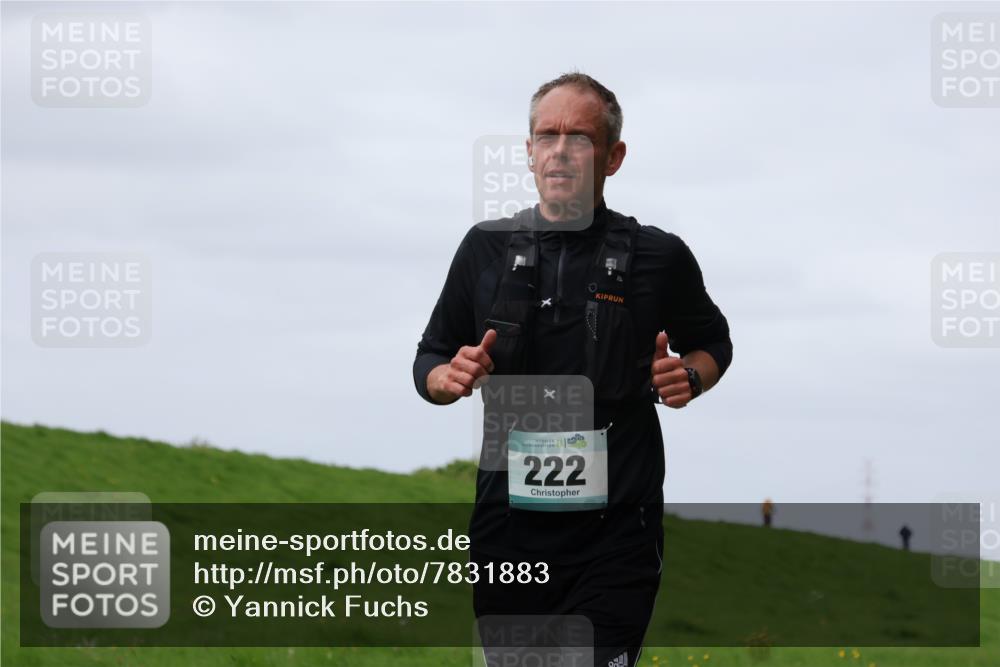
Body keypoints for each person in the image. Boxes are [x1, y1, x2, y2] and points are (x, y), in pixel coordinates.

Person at [412, 72, 733, 667]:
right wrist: (445, 378)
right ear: (529, 152)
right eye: (546, 135)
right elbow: (430, 356)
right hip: (506, 531)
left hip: (617, 536)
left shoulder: (660, 257)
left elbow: (713, 342)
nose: (560, 150)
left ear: (613, 157)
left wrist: (689, 376)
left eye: (579, 138)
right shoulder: (484, 248)